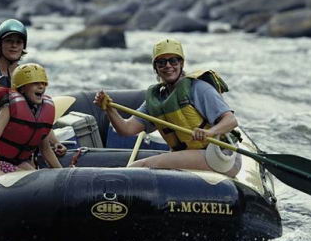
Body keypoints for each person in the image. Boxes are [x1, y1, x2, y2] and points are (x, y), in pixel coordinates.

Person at [93, 38, 242, 177]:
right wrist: (109, 109)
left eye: (173, 61)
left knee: (140, 166)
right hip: (194, 154)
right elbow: (126, 129)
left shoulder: (198, 88)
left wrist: (209, 132)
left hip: (220, 155)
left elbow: (231, 120)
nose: (168, 66)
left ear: (181, 64)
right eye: (161, 62)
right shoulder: (157, 99)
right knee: (143, 165)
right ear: (156, 68)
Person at [0, 13, 66, 158]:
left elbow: (38, 116)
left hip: (12, 140)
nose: (14, 45)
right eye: (9, 41)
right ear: (0, 44)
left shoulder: (27, 75)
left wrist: (55, 143)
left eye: (18, 42)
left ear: (23, 46)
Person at [0, 63, 62, 177]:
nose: (41, 87)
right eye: (35, 83)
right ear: (22, 88)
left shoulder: (39, 114)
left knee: (36, 176)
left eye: (43, 83)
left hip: (15, 161)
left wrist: (62, 172)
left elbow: (45, 149)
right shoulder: (8, 108)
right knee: (30, 179)